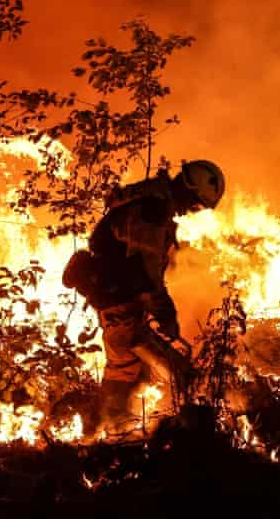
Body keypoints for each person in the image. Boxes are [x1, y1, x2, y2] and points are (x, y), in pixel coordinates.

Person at [81, 159, 225, 434]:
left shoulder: (150, 203)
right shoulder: (152, 210)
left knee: (132, 372)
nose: (192, 211)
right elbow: (147, 269)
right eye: (195, 204)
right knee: (143, 369)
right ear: (187, 189)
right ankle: (108, 434)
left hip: (121, 301)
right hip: (119, 303)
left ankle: (111, 430)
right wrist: (165, 311)